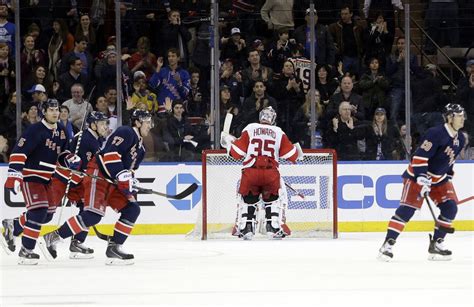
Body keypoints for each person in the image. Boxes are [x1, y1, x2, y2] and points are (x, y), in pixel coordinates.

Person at [38, 109, 153, 265]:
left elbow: (130, 171)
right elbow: (111, 154)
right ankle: (54, 236)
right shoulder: (126, 132)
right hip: (98, 174)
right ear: (137, 123)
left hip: (113, 182)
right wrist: (122, 175)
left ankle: (114, 248)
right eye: (146, 122)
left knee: (132, 209)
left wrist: (131, 181)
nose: (149, 126)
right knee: (93, 215)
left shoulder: (141, 149)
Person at [378, 103, 466, 262]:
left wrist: (449, 177)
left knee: (450, 207)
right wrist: (422, 179)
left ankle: (437, 244)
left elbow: (450, 161)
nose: (462, 119)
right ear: (449, 117)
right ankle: (387, 244)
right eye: (459, 115)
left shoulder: (460, 138)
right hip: (416, 176)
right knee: (407, 210)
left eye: (462, 115)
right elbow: (419, 158)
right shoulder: (435, 133)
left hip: (439, 179)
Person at [0, 99, 77, 265]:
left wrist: (71, 158)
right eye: (51, 110)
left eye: (57, 110)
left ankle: (13, 224)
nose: (55, 113)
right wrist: (14, 175)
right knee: (39, 211)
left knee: (47, 214)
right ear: (44, 112)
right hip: (31, 177)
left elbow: (62, 155)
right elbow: (18, 153)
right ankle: (26, 250)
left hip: (48, 179)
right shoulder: (34, 130)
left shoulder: (62, 131)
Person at [220, 106, 301, 240]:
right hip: (270, 173)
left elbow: (236, 154)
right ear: (273, 119)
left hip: (251, 171)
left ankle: (246, 229)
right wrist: (297, 149)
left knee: (248, 201)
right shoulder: (278, 132)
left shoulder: (250, 128)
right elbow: (293, 156)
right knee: (272, 201)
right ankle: (273, 228)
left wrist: (228, 143)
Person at [49, 111, 110, 259]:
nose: (105, 127)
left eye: (105, 123)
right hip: (71, 180)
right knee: (90, 212)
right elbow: (80, 164)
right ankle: (62, 238)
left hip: (77, 180)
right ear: (93, 125)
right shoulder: (86, 139)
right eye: (102, 123)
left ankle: (76, 242)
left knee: (87, 210)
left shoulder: (92, 138)